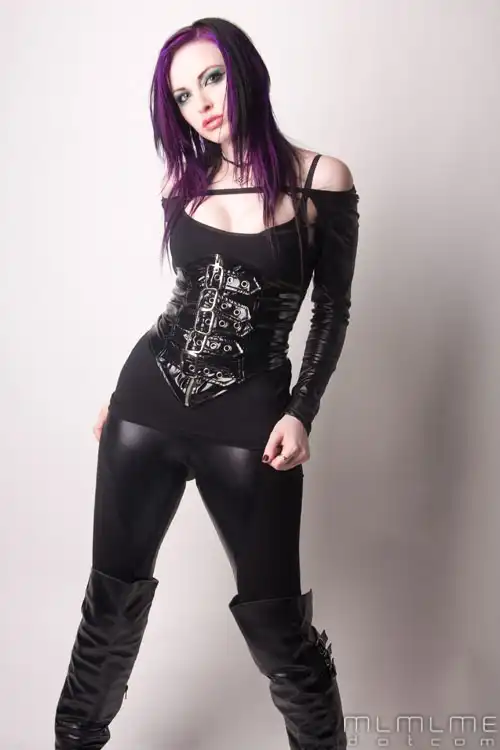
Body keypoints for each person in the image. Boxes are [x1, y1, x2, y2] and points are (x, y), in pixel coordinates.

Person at [54, 16, 360, 750]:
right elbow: (184, 301)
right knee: (109, 606)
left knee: (277, 624)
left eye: (212, 78)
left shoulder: (322, 179)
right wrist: (121, 398)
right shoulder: (181, 182)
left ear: (245, 70)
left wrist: (302, 411)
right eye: (184, 96)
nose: (202, 104)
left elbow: (332, 310)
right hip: (144, 406)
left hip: (251, 419)